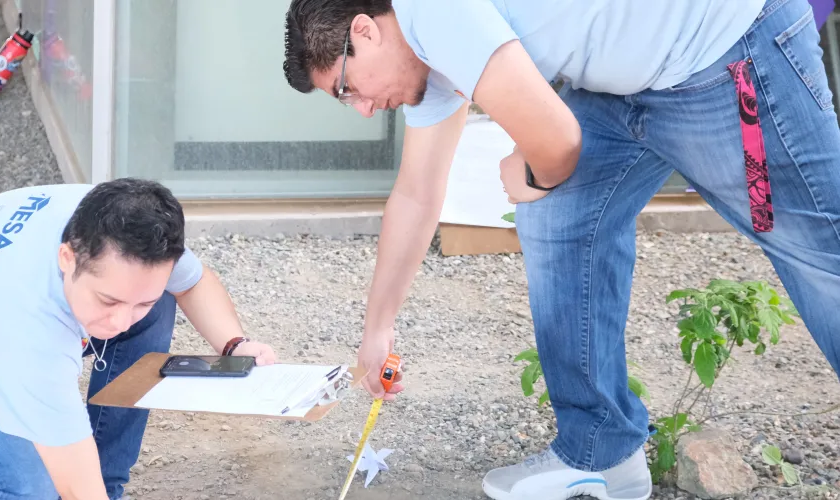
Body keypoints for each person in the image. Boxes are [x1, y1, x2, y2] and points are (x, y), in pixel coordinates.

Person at [282, 0, 840, 498]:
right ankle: (602, 452)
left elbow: (557, 143)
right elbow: (416, 194)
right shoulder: (427, 60)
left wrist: (529, 169)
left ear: (365, 30)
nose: (360, 107)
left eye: (345, 87)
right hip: (625, 89)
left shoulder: (431, 12)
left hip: (727, 52)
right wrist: (376, 332)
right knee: (560, 215)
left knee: (821, 255)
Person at [0, 178, 277, 500]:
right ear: (67, 257)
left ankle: (107, 477)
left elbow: (191, 283)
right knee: (29, 487)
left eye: (133, 304)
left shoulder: (120, 227)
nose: (121, 322)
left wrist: (235, 346)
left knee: (154, 302)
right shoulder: (25, 320)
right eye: (108, 301)